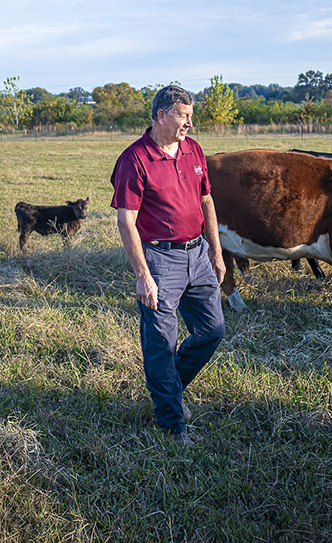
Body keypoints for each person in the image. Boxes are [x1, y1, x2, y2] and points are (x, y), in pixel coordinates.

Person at [110, 84, 227, 442]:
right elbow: (126, 220)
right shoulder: (134, 160)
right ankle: (173, 424)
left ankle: (168, 388)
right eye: (183, 115)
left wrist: (216, 251)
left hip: (197, 254)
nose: (189, 123)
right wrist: (143, 275)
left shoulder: (193, 149)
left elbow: (206, 200)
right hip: (159, 259)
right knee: (161, 342)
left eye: (191, 116)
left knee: (212, 330)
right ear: (162, 115)